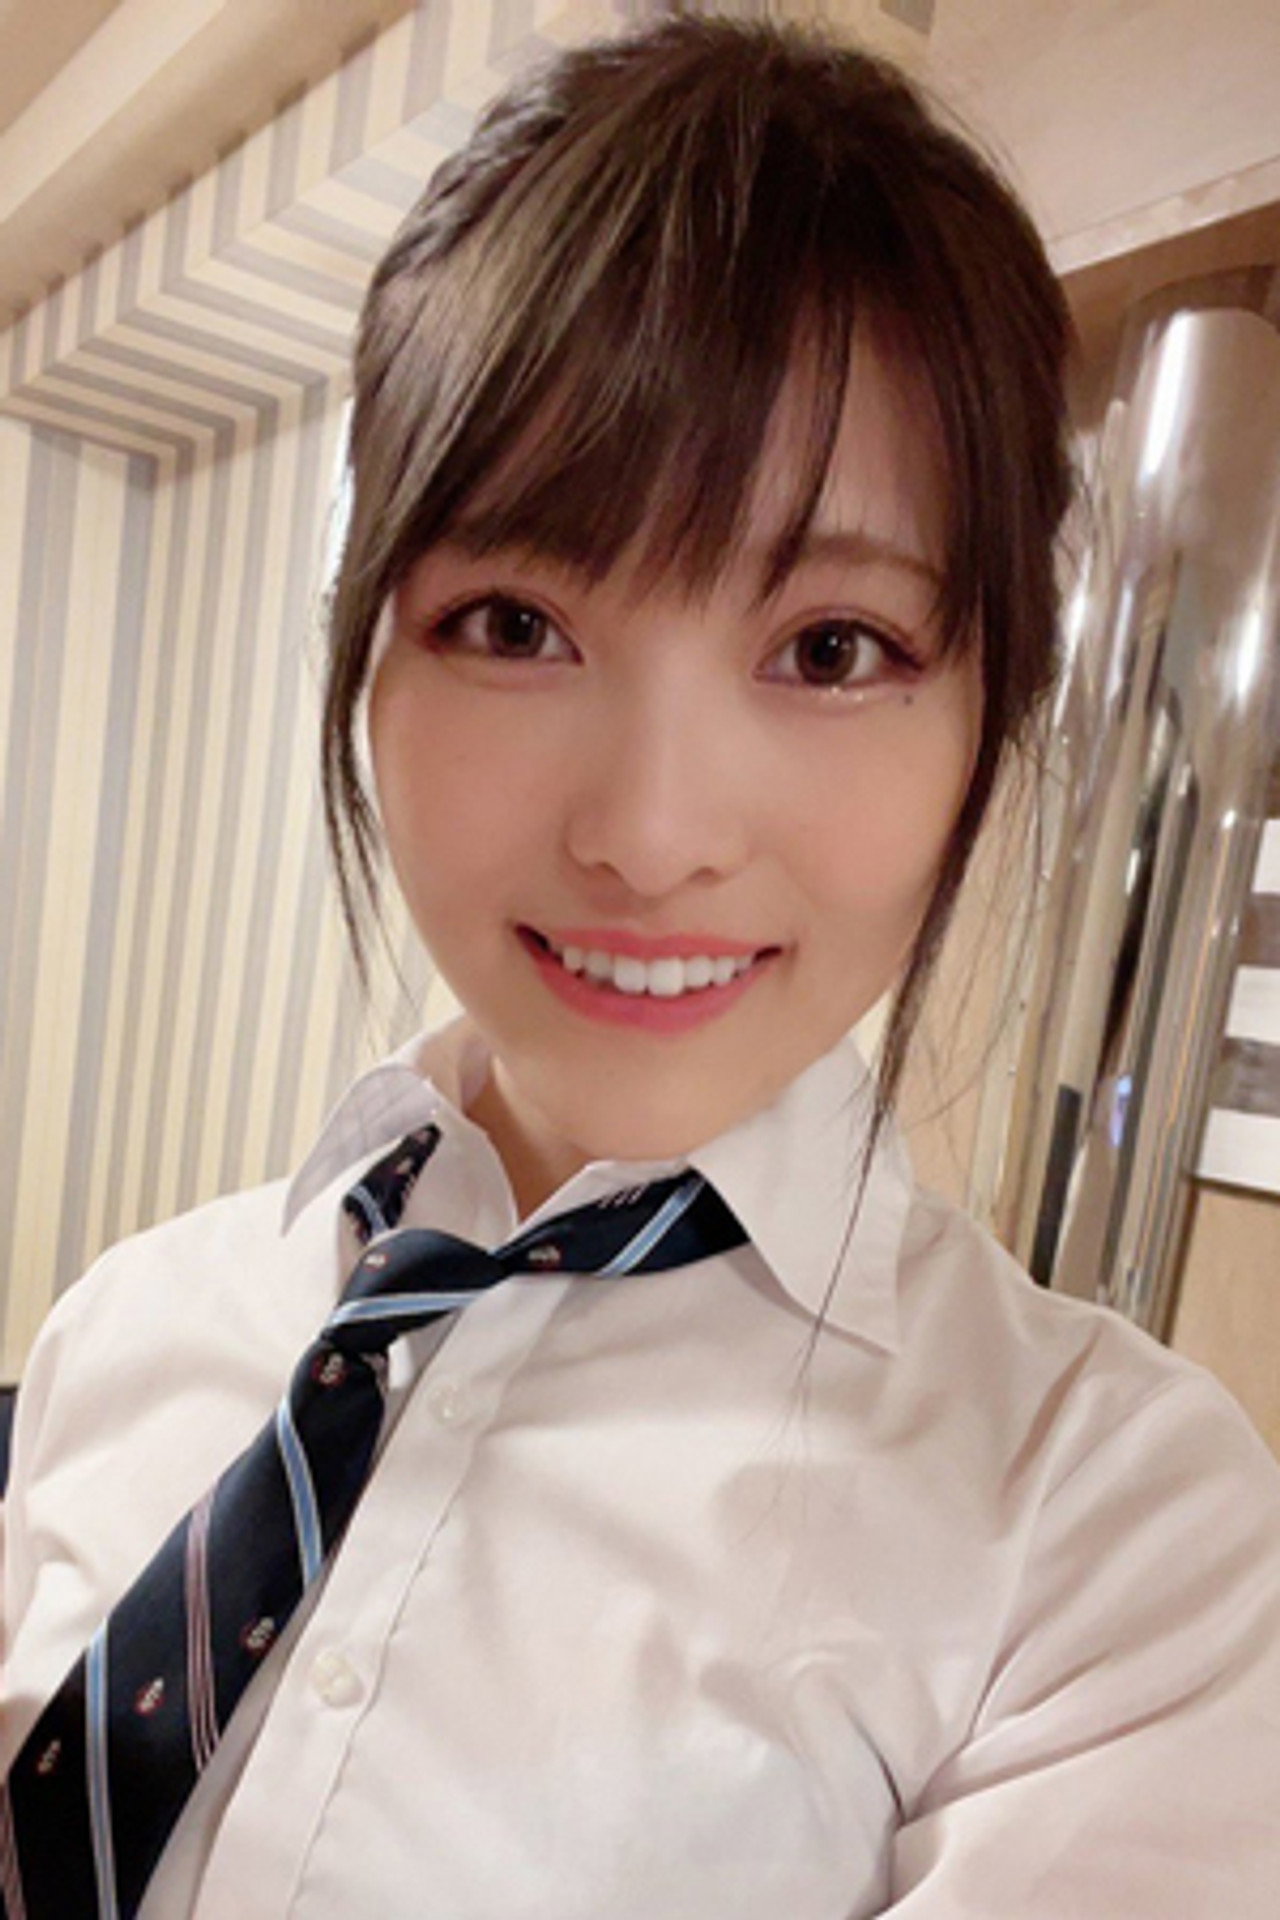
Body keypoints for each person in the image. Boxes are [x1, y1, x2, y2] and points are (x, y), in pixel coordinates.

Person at [3, 16, 1279, 1918]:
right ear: (369, 654)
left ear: (988, 717)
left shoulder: (1117, 1548)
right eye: (514, 622)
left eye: (832, 649)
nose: (653, 832)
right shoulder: (124, 1327)